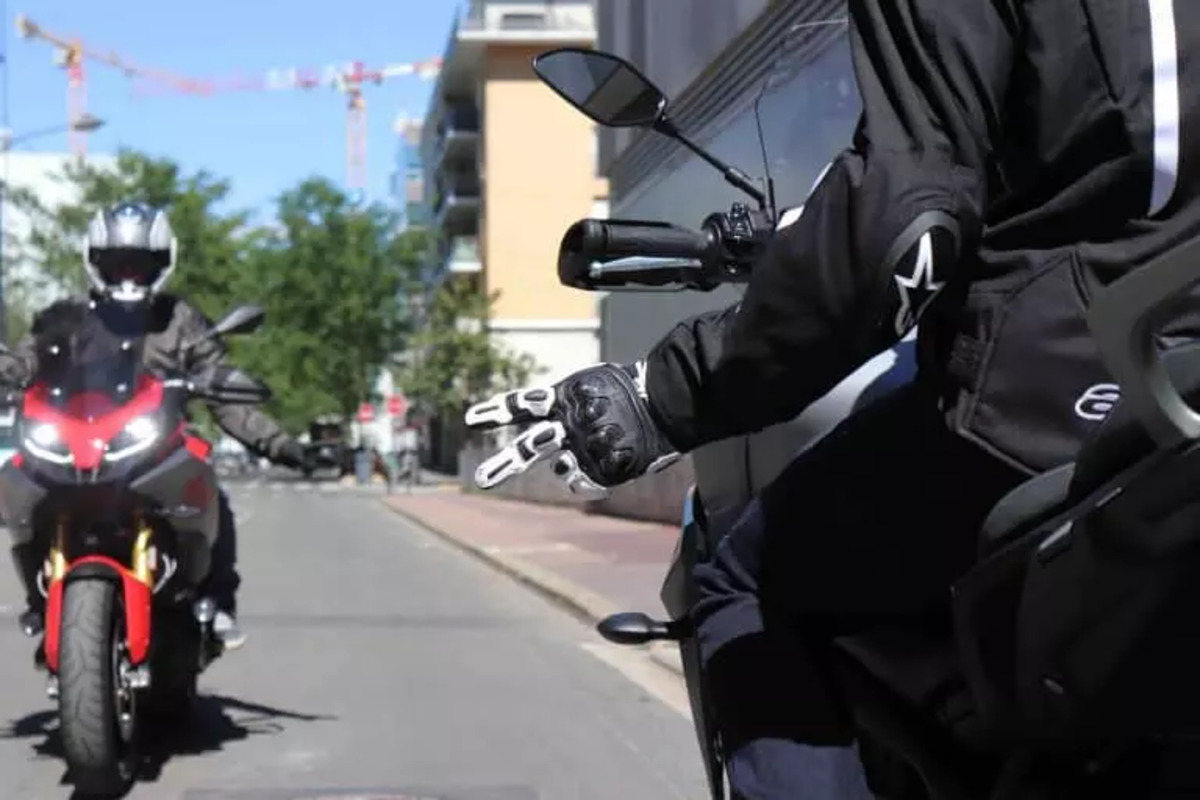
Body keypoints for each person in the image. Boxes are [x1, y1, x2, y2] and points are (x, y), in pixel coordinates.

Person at [465, 1, 1200, 797]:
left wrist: (665, 396)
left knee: (747, 578)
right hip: (1174, 410)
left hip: (1060, 407)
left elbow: (905, 230)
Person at [2, 202, 312, 653]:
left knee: (208, 484)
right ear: (95, 262)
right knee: (20, 479)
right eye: (117, 264)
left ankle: (217, 600)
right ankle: (39, 594)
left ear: (162, 265)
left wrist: (281, 444)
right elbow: (23, 359)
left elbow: (219, 384)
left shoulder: (181, 320)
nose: (128, 276)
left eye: (140, 265)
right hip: (77, 440)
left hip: (156, 442)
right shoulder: (65, 319)